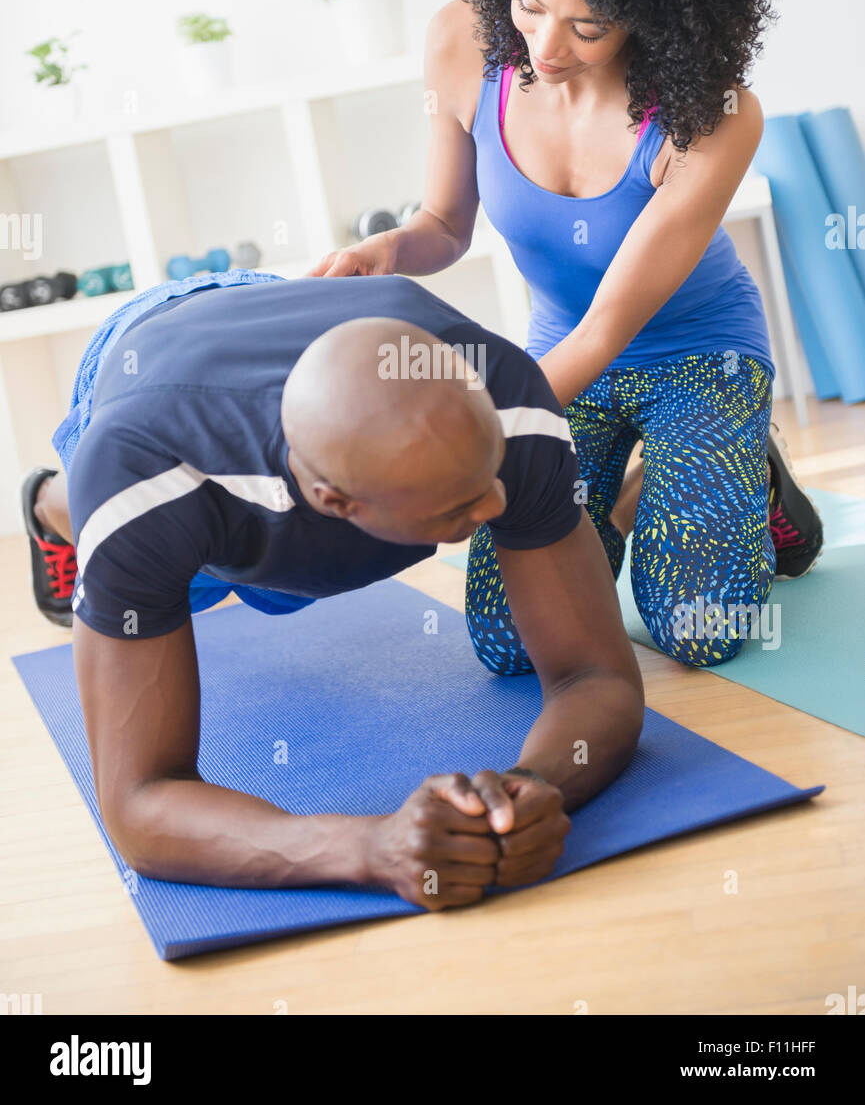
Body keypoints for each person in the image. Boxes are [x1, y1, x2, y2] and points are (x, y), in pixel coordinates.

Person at [309, 0, 823, 672]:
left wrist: (477, 428)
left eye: (587, 26)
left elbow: (611, 326)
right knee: (512, 646)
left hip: (697, 354)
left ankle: (747, 472)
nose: (545, 47)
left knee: (698, 631)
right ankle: (632, 496)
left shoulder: (713, 115)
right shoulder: (459, 41)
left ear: (650, 23)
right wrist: (390, 247)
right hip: (561, 350)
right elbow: (443, 223)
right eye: (529, 2)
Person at [22, 271, 643, 910]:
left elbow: (597, 678)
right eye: (460, 503)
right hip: (142, 365)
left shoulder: (506, 401)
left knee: (297, 581)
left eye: (487, 472)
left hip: (290, 326)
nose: (499, 501)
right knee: (196, 579)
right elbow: (140, 803)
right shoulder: (140, 485)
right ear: (333, 502)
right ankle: (46, 502)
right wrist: (374, 850)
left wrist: (531, 787)